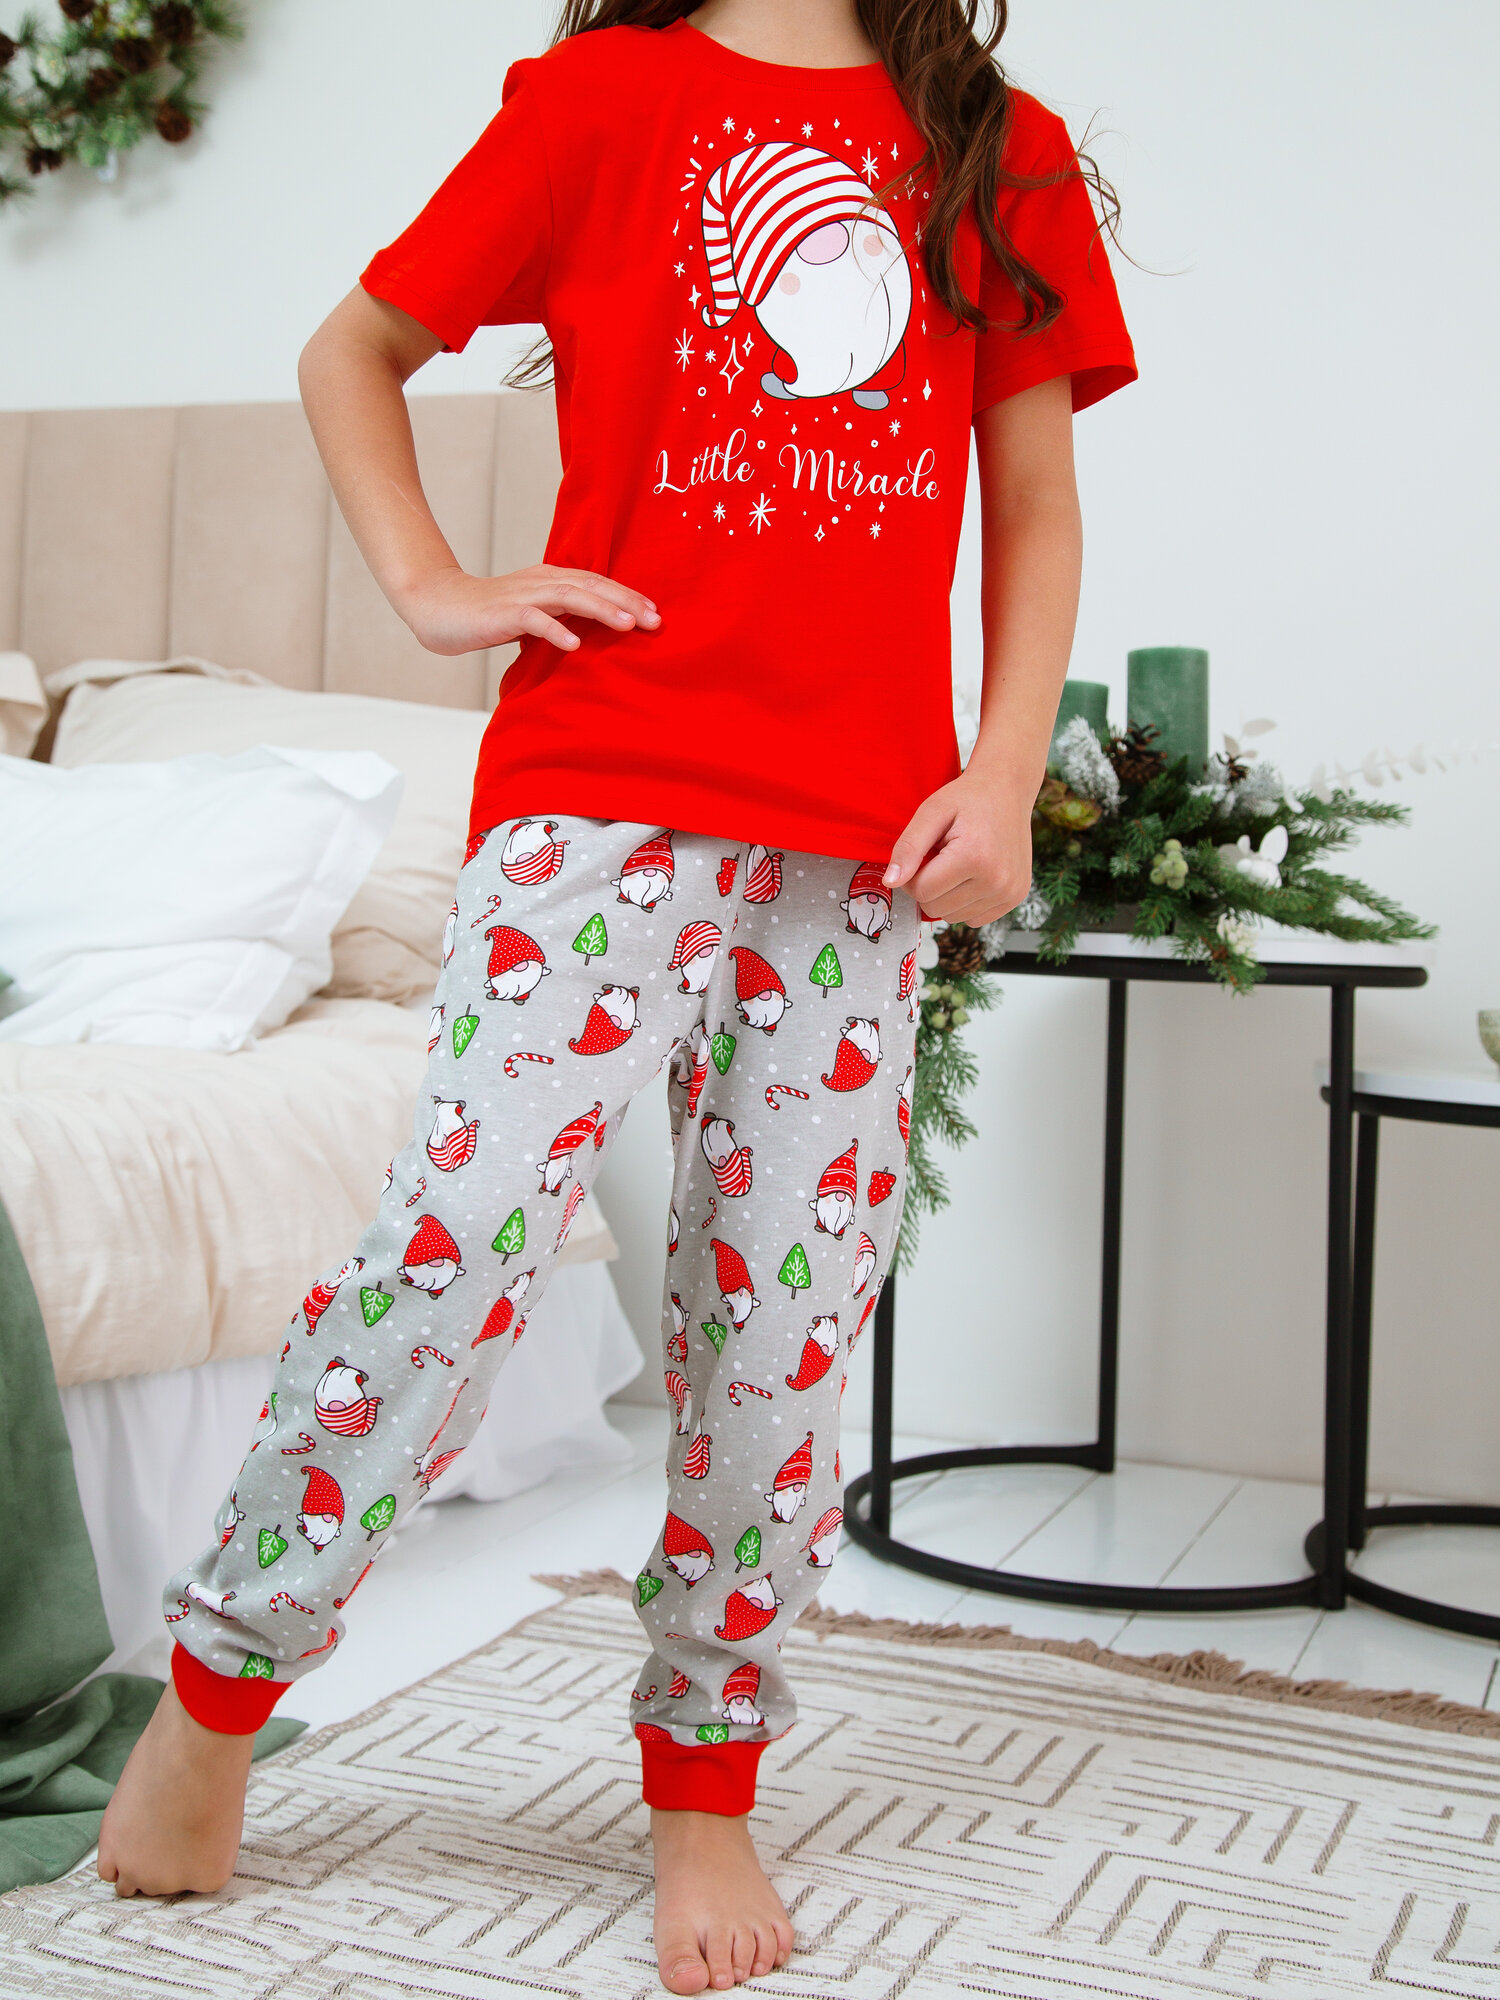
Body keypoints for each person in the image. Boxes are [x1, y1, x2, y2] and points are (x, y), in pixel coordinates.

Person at [96, 0, 1134, 1989]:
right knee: (462, 1243)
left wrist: (1005, 777)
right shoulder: (597, 104)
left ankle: (705, 1776)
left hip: (858, 842)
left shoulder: (993, 143)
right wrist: (432, 584)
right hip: (601, 792)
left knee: (780, 1320)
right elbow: (352, 350)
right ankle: (218, 1694)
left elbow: (1037, 500)